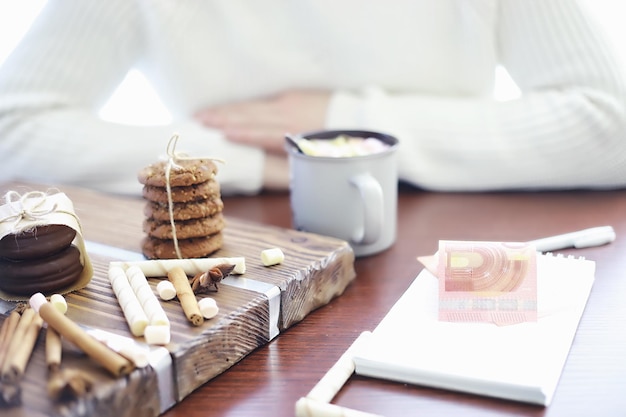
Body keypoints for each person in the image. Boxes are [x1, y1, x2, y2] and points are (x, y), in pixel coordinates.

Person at [0, 0, 625, 196]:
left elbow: (611, 124)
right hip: (238, 263)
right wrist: (255, 160)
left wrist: (343, 125)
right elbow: (14, 124)